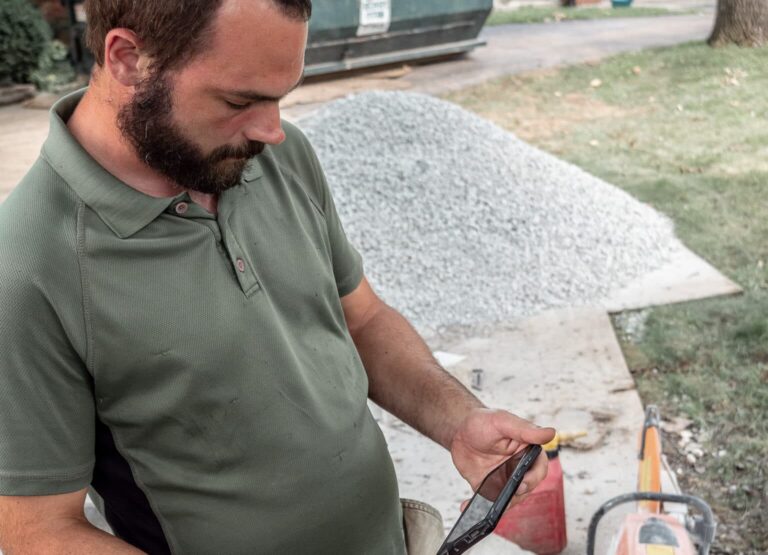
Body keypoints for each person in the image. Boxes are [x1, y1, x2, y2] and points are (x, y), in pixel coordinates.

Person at [0, 0, 555, 553]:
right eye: (239, 101)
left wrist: (459, 421)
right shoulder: (27, 266)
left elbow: (361, 320)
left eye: (280, 97)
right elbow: (36, 531)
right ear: (127, 58)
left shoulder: (273, 158)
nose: (272, 130)